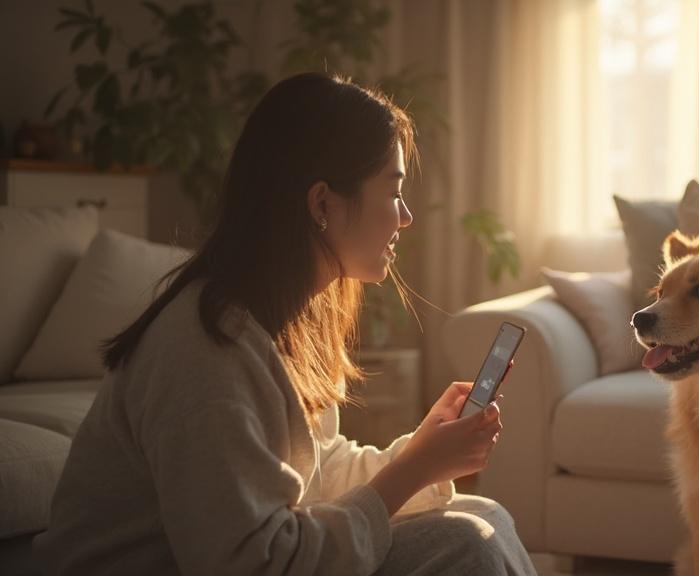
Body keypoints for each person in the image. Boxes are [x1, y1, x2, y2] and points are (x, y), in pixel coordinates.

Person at [33, 73, 536, 575]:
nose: (404, 217)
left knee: (483, 515)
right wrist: (414, 470)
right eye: (392, 192)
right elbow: (253, 563)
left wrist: (423, 453)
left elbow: (313, 473)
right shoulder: (209, 349)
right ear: (322, 204)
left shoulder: (283, 319)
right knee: (466, 543)